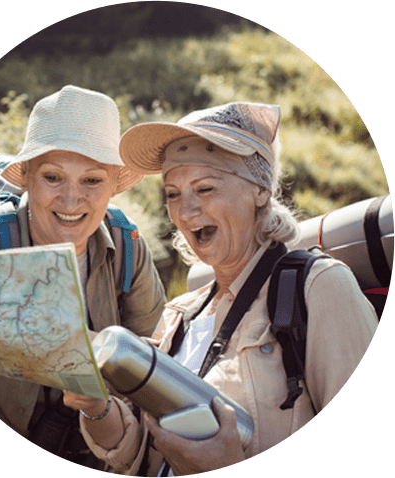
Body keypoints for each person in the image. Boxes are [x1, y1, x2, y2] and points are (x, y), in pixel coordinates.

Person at [61, 101, 378, 476]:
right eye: (173, 193)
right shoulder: (180, 314)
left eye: (205, 188)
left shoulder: (320, 289)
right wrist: (94, 406)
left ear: (260, 190)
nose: (185, 211)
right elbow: (142, 456)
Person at [0, 85, 166, 466]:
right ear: (26, 177)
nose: (72, 200)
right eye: (53, 178)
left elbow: (159, 364)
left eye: (92, 181)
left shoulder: (128, 248)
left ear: (112, 185)